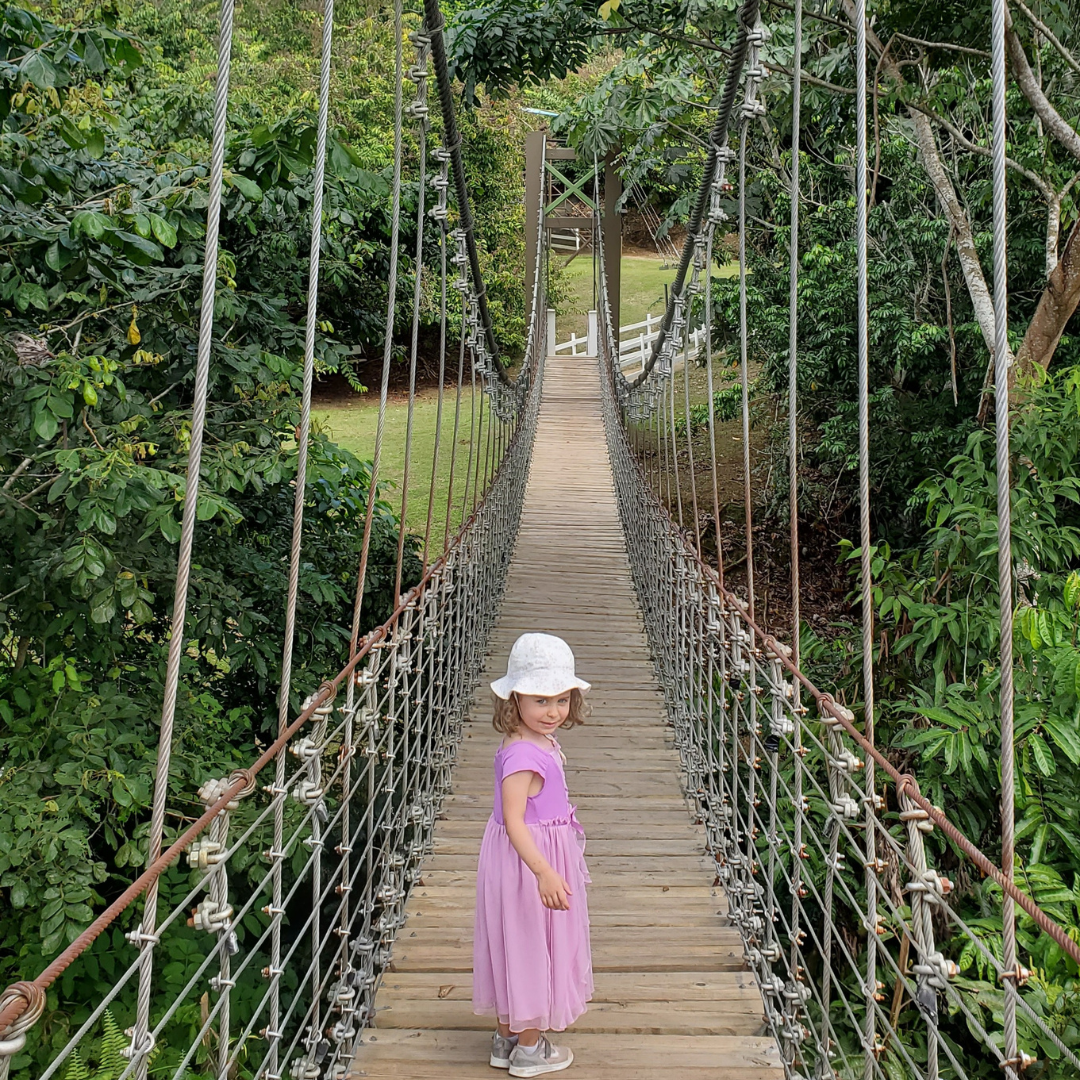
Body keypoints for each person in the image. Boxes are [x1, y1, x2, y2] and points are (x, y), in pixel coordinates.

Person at [473, 633, 594, 1077]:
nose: (553, 711)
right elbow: (513, 819)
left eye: (561, 699)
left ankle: (507, 1037)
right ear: (515, 699)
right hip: (528, 861)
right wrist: (544, 872)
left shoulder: (532, 739)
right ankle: (528, 1049)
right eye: (541, 700)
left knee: (516, 940)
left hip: (524, 857)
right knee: (530, 945)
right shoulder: (523, 754)